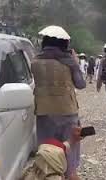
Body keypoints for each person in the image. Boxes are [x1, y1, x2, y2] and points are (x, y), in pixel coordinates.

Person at [32, 25, 86, 180]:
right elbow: (81, 84)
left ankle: (51, 173)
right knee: (71, 143)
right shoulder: (68, 62)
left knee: (48, 146)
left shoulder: (35, 61)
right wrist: (75, 62)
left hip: (44, 111)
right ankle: (71, 174)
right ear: (64, 44)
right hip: (67, 110)